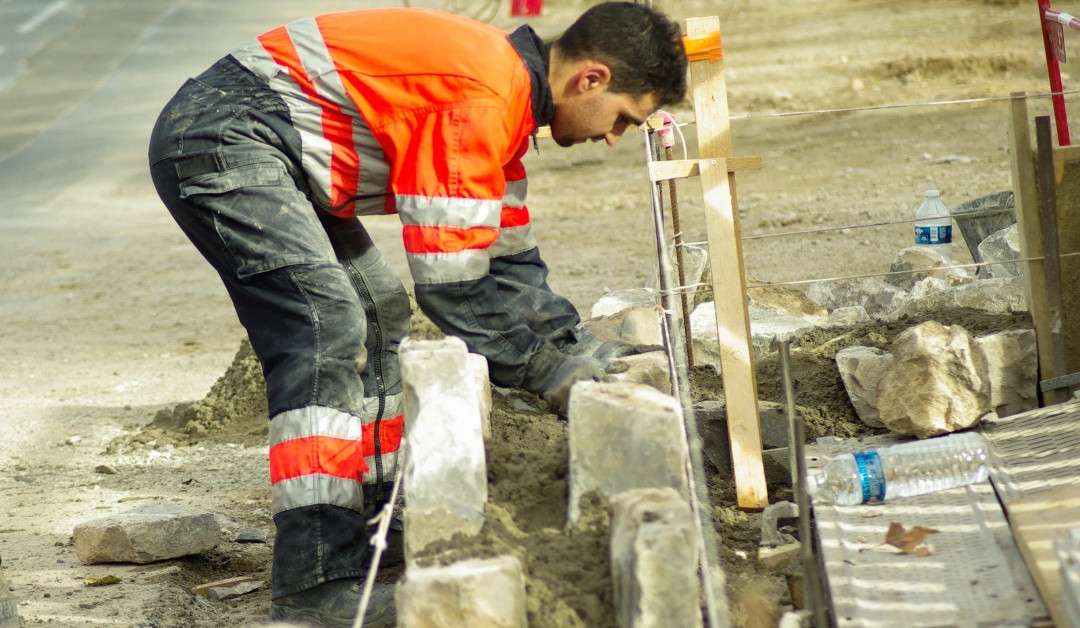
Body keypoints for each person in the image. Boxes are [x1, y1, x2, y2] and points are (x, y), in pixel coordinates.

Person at [148, 2, 687, 625]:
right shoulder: (480, 97)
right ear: (590, 78)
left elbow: (510, 265)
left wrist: (580, 349)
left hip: (265, 142)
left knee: (377, 313)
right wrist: (548, 375)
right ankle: (315, 585)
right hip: (223, 135)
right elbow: (453, 290)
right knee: (326, 323)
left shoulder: (506, 102)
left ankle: (374, 528)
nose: (612, 136)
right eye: (623, 118)